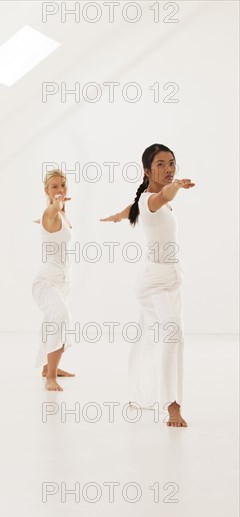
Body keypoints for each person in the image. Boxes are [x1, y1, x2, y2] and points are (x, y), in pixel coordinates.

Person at [101, 143, 194, 427]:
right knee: (172, 335)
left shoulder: (145, 199)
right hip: (155, 284)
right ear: (147, 171)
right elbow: (162, 196)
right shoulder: (156, 199)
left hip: (170, 280)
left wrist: (118, 215)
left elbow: (135, 207)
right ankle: (172, 406)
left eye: (172, 163)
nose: (168, 169)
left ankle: (141, 393)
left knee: (150, 340)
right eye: (161, 165)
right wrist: (175, 186)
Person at [32, 169, 76, 391]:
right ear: (46, 191)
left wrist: (55, 211)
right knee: (60, 317)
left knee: (52, 322)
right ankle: (50, 377)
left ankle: (49, 367)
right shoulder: (52, 211)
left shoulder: (60, 214)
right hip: (46, 281)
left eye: (63, 185)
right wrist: (55, 206)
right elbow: (52, 210)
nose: (60, 190)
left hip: (62, 281)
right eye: (54, 187)